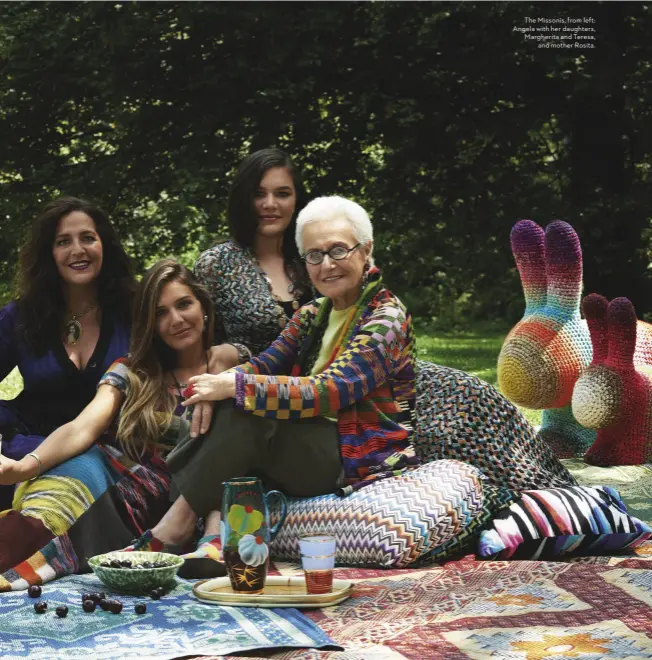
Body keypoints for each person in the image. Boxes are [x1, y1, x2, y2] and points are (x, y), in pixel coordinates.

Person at [133, 195, 419, 552]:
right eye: (314, 255)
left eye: (338, 251)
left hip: (354, 456)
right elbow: (265, 364)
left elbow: (328, 390)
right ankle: (213, 537)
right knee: (219, 400)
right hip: (307, 446)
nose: (326, 264)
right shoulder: (313, 314)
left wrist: (232, 385)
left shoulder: (386, 319)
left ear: (366, 249)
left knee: (244, 407)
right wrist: (210, 389)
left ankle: (175, 528)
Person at [0, 260, 224, 589]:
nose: (175, 320)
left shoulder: (234, 366)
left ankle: (211, 537)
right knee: (45, 515)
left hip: (176, 497)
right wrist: (24, 468)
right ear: (150, 324)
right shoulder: (133, 370)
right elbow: (84, 427)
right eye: (160, 313)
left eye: (184, 304)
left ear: (203, 308)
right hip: (109, 471)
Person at [0, 196, 135, 508]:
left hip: (108, 453)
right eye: (63, 241)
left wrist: (230, 351)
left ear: (106, 246)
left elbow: (189, 354)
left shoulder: (135, 310)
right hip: (24, 445)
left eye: (88, 238)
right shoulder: (22, 316)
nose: (78, 250)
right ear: (50, 253)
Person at [194, 148, 313, 366]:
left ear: (297, 200)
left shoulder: (314, 258)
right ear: (243, 199)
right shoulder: (216, 264)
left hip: (326, 394)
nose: (269, 203)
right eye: (258, 194)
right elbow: (197, 350)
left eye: (282, 194)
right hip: (247, 395)